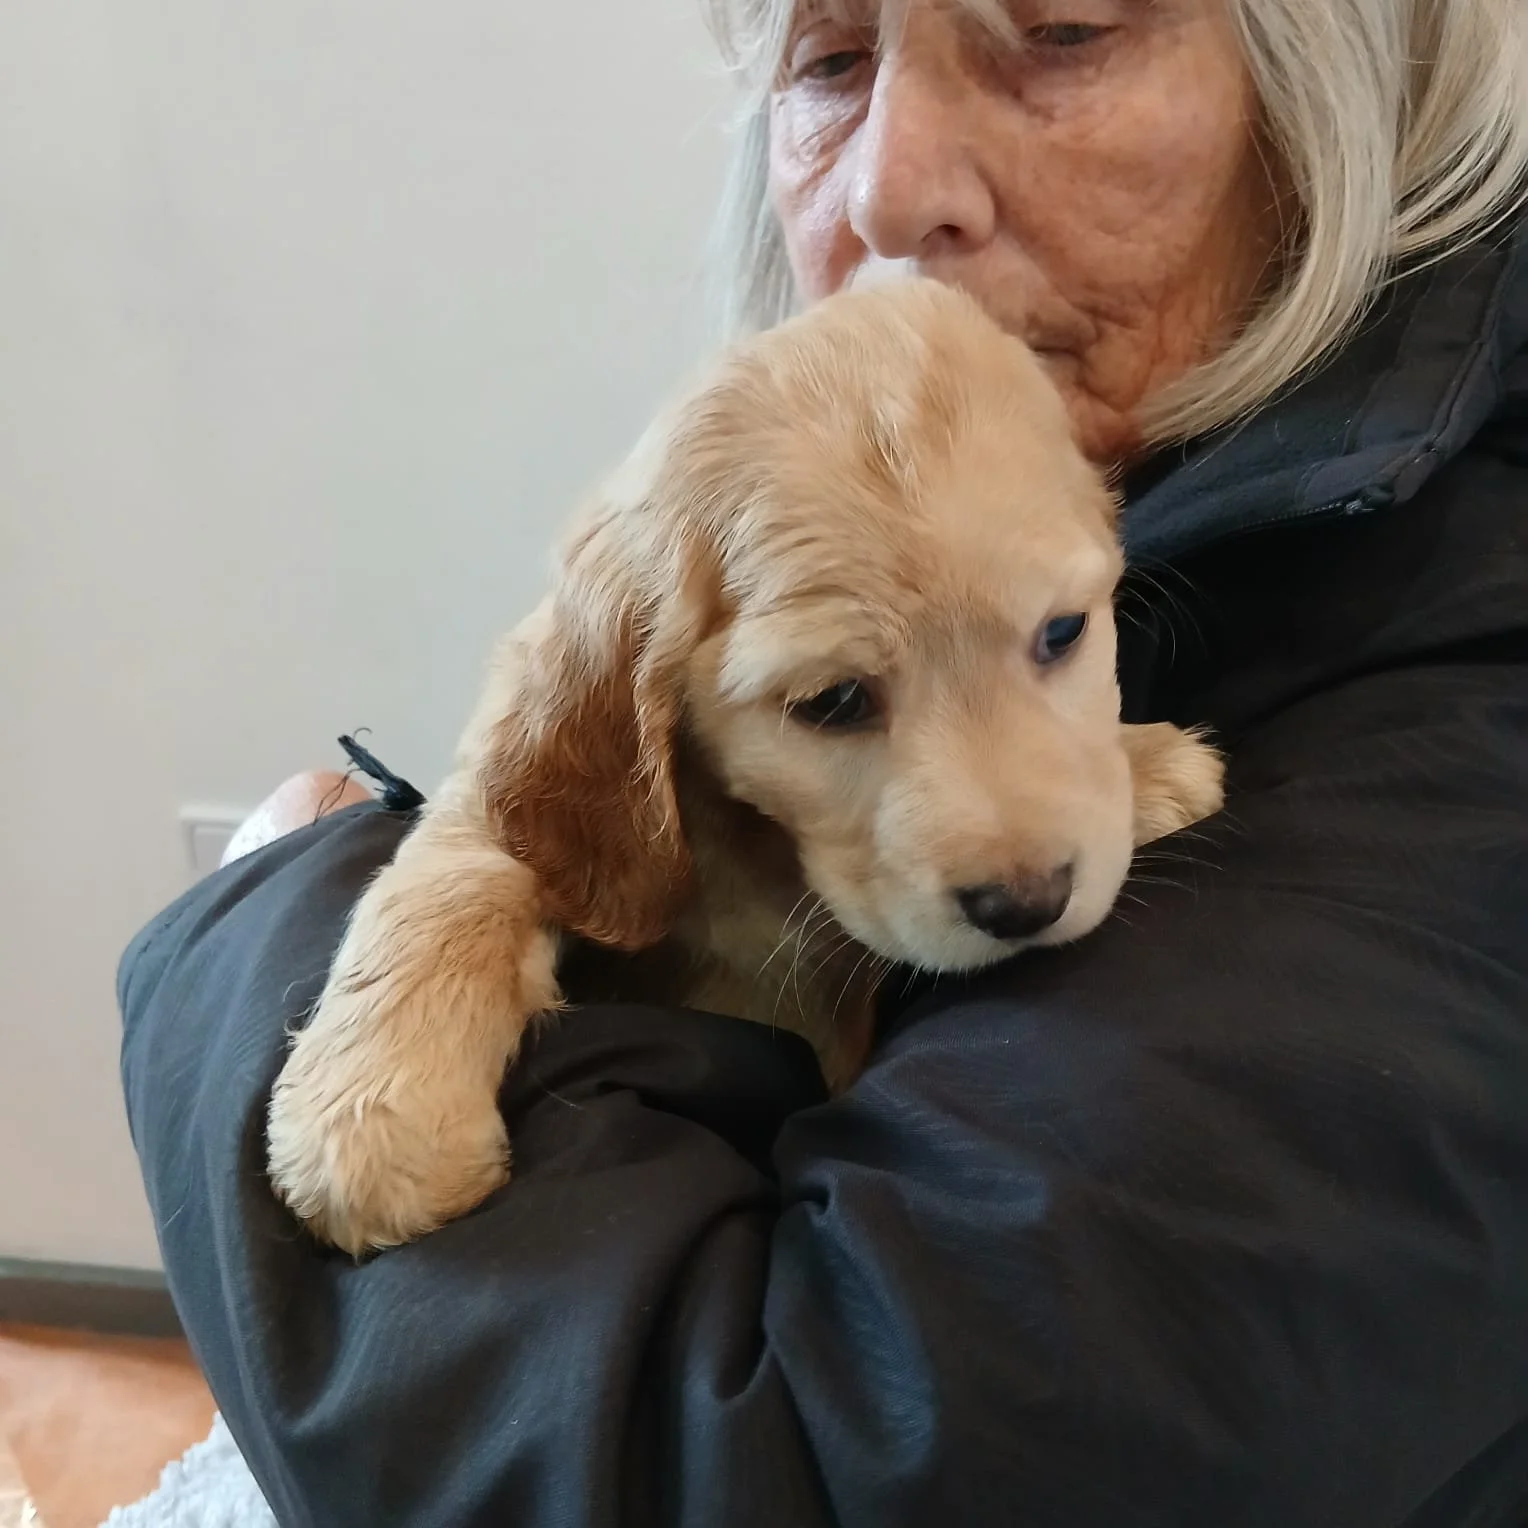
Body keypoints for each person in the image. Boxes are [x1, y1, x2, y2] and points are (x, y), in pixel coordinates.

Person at [119, 2, 1528, 1522]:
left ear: (1354, 70)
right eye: (832, 62)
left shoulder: (1448, 718)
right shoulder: (1172, 488)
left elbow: (778, 1460)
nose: (887, 187)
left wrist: (264, 910)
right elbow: (569, 837)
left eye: (1061, 29)